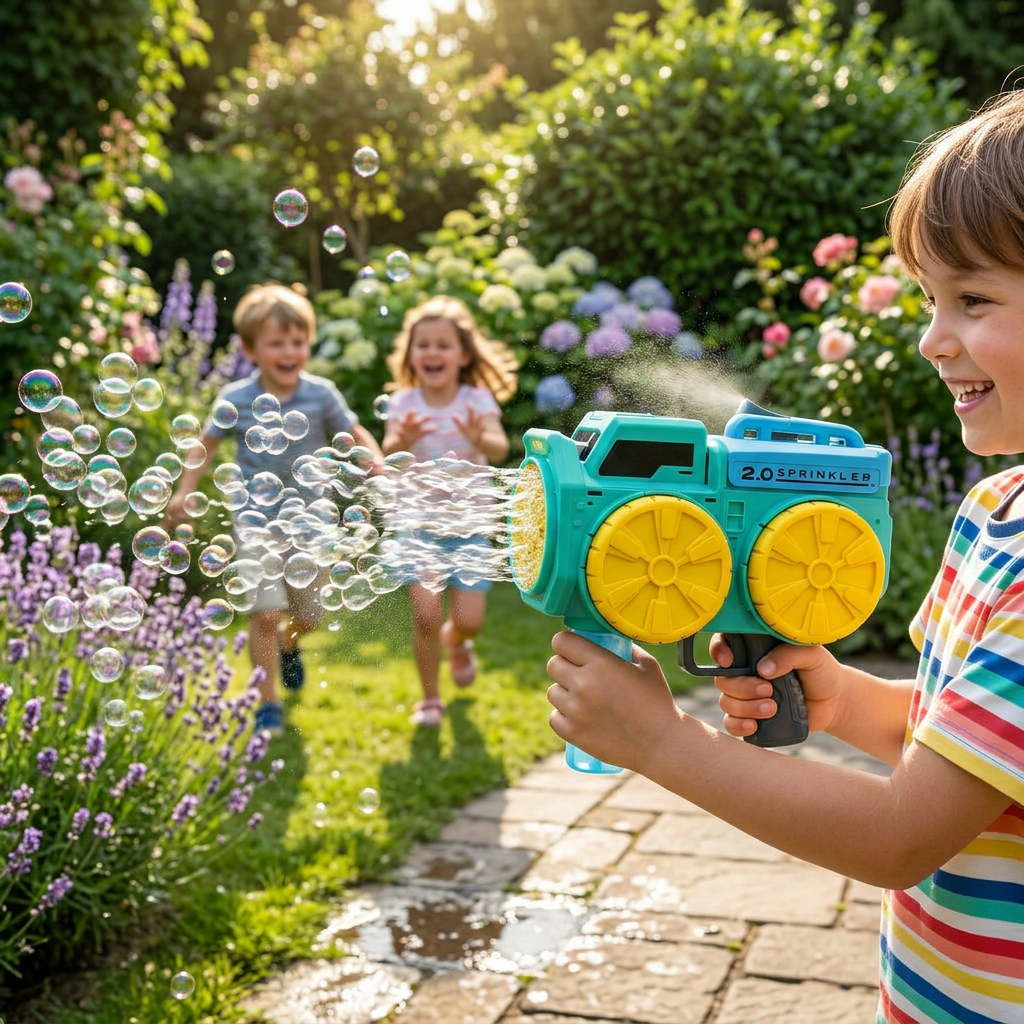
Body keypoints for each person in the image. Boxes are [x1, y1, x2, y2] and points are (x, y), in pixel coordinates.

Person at [545, 89, 1024, 1023]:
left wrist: (659, 742)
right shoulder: (994, 508)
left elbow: (901, 836)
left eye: (973, 298)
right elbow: (954, 743)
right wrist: (847, 702)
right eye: (929, 298)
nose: (933, 339)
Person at [165, 283, 384, 734]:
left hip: (312, 523)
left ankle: (291, 644)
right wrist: (185, 490)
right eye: (277, 342)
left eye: (298, 341)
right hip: (255, 522)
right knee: (263, 613)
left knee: (310, 615)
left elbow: (356, 433)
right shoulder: (237, 397)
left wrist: (376, 464)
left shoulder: (321, 395)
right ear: (249, 348)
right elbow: (204, 447)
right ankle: (267, 704)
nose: (289, 351)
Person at [381, 295, 518, 726]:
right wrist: (400, 440)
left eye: (443, 345)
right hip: (418, 524)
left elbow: (498, 447)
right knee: (425, 615)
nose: (432, 352)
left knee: (469, 621)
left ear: (462, 355)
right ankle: (430, 699)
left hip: (468, 527)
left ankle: (458, 643)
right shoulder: (404, 404)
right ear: (410, 354)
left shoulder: (476, 400)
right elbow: (388, 452)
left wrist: (482, 436)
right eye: (423, 345)